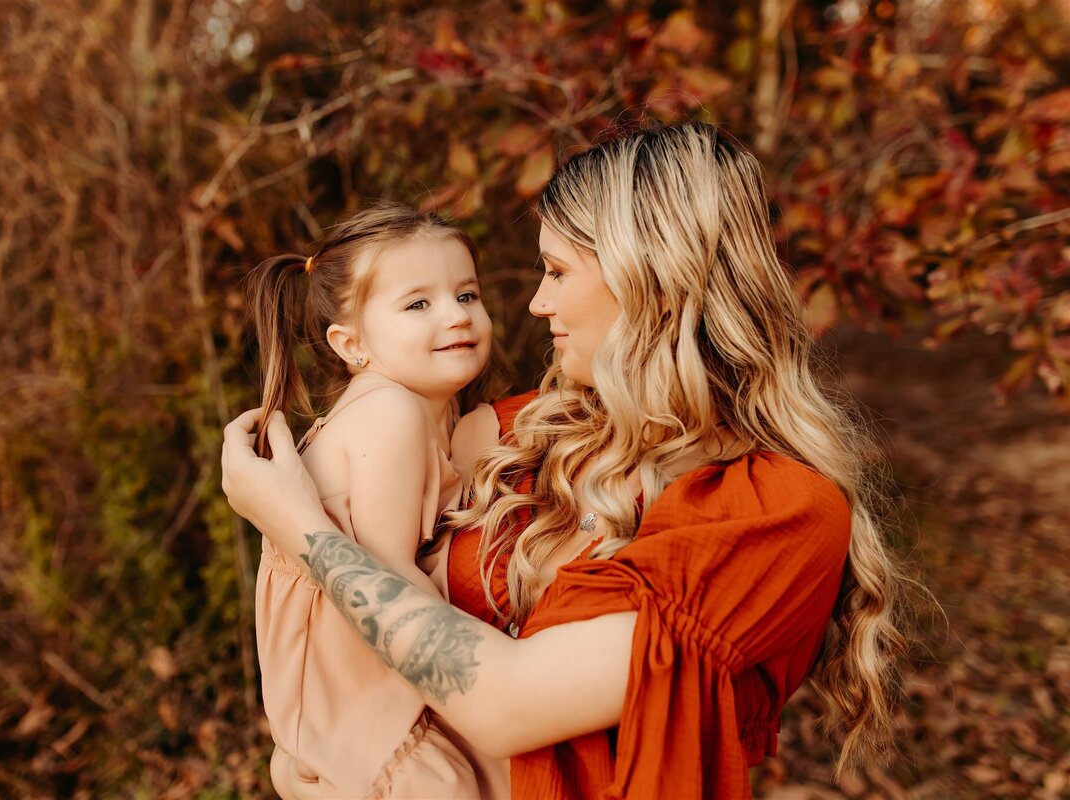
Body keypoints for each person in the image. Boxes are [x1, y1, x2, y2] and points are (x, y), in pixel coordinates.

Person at [223, 122, 906, 799]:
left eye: (556, 272)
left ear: (653, 279)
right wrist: (311, 754)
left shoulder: (774, 511)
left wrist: (296, 526)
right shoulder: (524, 430)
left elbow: (504, 705)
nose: (535, 302)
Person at [243, 202, 511, 799]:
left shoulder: (432, 413)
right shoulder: (388, 414)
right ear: (351, 343)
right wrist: (499, 667)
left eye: (466, 295)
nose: (456, 317)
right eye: (418, 304)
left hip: (361, 672)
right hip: (358, 689)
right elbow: (386, 576)